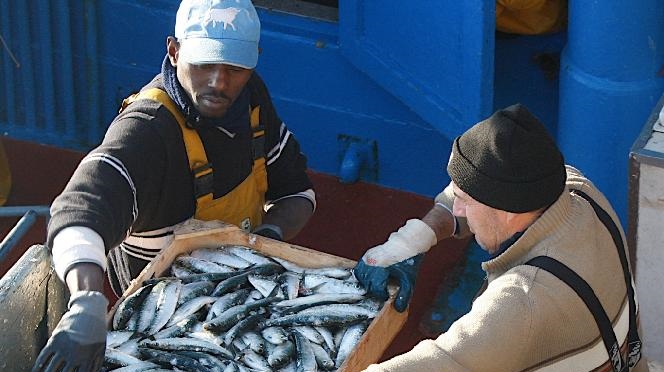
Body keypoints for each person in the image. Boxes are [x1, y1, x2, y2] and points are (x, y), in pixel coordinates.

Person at [32, 0, 315, 370]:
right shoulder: (147, 130)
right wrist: (86, 302)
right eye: (203, 64)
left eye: (235, 67)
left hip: (240, 304)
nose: (219, 81)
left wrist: (266, 240)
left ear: (254, 60)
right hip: (161, 327)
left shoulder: (250, 99)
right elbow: (78, 213)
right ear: (174, 50)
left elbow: (298, 193)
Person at [355, 104, 647, 371]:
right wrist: (413, 239)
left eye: (463, 201)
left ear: (506, 210)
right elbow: (473, 189)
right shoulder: (578, 191)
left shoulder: (523, 299)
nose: (456, 209)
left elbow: (444, 363)